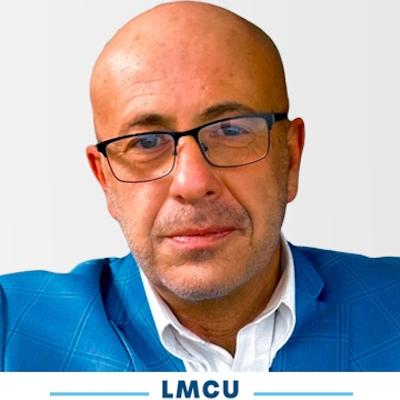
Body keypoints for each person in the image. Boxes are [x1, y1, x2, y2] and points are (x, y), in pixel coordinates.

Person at [0, 0, 399, 372]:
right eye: (146, 142)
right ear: (105, 180)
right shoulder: (10, 324)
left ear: (290, 158)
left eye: (231, 130)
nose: (192, 183)